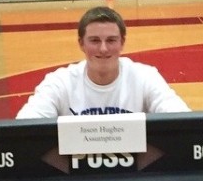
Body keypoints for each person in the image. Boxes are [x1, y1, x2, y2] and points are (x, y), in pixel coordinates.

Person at [16, 6, 190, 118]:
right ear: (81, 43)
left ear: (122, 43)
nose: (104, 49)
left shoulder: (145, 77)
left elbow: (180, 118)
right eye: (95, 40)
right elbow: (24, 126)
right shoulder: (59, 82)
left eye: (111, 40)